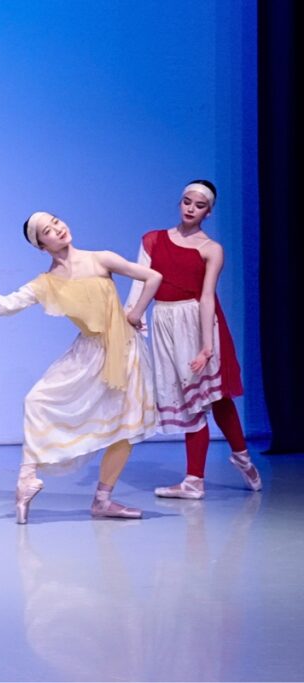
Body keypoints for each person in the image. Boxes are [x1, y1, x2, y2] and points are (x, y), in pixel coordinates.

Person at [0, 211, 161, 523]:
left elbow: (152, 277)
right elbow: (4, 306)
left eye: (57, 221)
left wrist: (136, 312)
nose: (58, 229)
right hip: (88, 352)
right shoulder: (46, 283)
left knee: (123, 428)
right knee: (36, 399)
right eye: (48, 230)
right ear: (41, 245)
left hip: (123, 350)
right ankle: (27, 477)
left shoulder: (100, 259)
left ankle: (103, 499)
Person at [125, 180, 262, 499]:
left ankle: (241, 456)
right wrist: (133, 318)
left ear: (209, 211)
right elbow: (142, 284)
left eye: (199, 205)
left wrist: (207, 346)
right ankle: (193, 481)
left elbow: (207, 297)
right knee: (188, 403)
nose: (191, 208)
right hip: (164, 321)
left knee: (215, 397)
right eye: (187, 202)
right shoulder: (153, 240)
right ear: (180, 202)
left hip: (196, 322)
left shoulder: (210, 249)